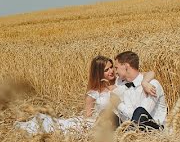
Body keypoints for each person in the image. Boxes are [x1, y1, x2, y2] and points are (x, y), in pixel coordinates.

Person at [15, 56, 157, 134]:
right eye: (106, 70)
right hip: (98, 123)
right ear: (99, 73)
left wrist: (145, 82)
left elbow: (150, 73)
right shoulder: (93, 93)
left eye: (112, 67)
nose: (111, 72)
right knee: (60, 127)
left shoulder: (121, 81)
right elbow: (87, 115)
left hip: (119, 122)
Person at [112, 51, 166, 131]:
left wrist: (119, 104)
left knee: (139, 111)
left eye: (116, 68)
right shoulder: (123, 85)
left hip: (153, 129)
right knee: (107, 115)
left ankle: (125, 135)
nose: (115, 72)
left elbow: (141, 116)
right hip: (132, 126)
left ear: (126, 66)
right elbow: (128, 116)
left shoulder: (151, 84)